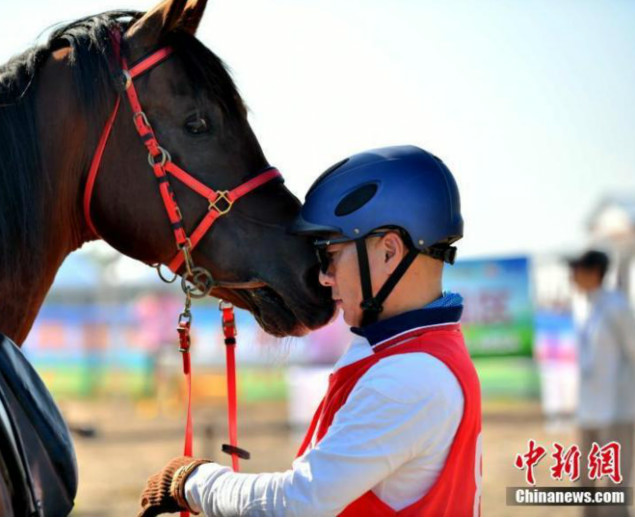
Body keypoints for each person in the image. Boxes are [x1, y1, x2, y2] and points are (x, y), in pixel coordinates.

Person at [137, 145, 482, 517]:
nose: (324, 277)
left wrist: (192, 482)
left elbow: (296, 504)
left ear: (389, 252)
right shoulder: (413, 351)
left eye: (330, 256)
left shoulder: (408, 376)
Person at [568, 250, 635, 517]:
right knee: (585, 480)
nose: (572, 276)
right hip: (589, 408)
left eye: (577, 269)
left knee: (614, 484)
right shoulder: (583, 306)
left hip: (616, 408)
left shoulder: (616, 307)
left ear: (594, 272)